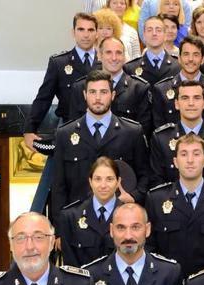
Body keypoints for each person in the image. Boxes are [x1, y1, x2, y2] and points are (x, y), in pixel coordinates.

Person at [24, 13, 100, 213]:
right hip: (68, 128)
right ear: (73, 32)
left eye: (90, 30)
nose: (85, 35)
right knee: (58, 181)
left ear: (97, 33)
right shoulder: (59, 62)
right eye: (81, 29)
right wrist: (29, 128)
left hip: (99, 129)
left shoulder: (105, 62)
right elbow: (44, 97)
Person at [52, 70, 151, 222]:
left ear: (112, 95)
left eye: (103, 92)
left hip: (120, 220)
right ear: (85, 95)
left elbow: (145, 175)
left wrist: (133, 196)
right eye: (92, 92)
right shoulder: (65, 134)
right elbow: (59, 185)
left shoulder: (132, 132)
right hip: (78, 222)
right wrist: (59, 229)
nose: (97, 98)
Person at [146, 133, 204, 276]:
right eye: (184, 154)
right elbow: (150, 248)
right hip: (168, 283)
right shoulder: (156, 199)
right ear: (175, 162)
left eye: (196, 154)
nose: (190, 160)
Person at [149, 80, 204, 187]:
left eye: (196, 98)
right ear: (176, 104)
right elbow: (157, 182)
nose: (191, 103)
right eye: (185, 98)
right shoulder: (161, 138)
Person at [69, 37, 153, 137]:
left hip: (124, 149)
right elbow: (74, 128)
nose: (114, 58)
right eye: (108, 52)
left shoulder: (139, 88)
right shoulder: (81, 86)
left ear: (124, 56)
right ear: (99, 55)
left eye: (118, 53)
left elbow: (143, 132)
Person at [58, 156, 122, 267]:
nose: (103, 185)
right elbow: (70, 265)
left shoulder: (131, 216)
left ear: (118, 182)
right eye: (98, 179)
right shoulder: (71, 217)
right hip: (83, 282)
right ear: (90, 181)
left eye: (109, 179)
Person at [152, 36, 204, 127]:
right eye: (186, 54)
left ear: (203, 59)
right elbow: (160, 133)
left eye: (196, 55)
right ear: (179, 59)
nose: (190, 59)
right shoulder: (161, 90)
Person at [124, 16, 180, 85]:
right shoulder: (131, 68)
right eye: (149, 30)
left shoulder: (178, 65)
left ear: (165, 35)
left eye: (158, 30)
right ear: (144, 35)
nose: (154, 33)